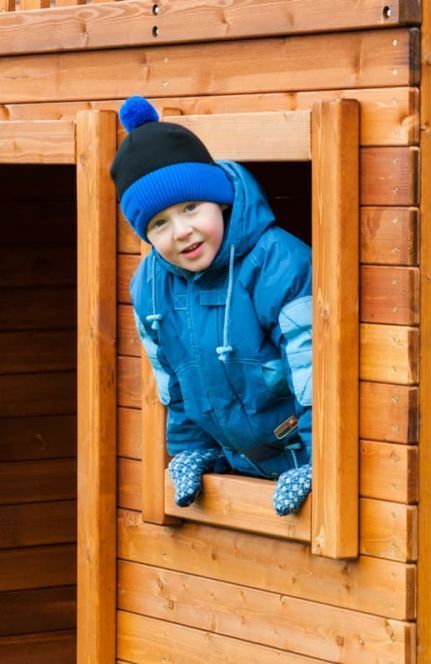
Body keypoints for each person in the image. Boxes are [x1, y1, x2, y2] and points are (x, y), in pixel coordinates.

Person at [111, 95, 313, 515]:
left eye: (191, 208)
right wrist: (191, 451)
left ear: (219, 200)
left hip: (301, 452)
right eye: (159, 223)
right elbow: (174, 384)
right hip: (238, 465)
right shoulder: (149, 287)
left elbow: (315, 373)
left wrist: (320, 463)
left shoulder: (277, 263)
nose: (182, 231)